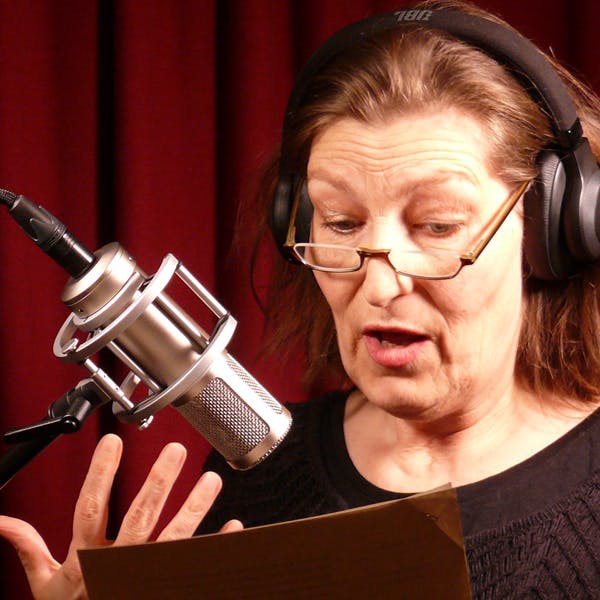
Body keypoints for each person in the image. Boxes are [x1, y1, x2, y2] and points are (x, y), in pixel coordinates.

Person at [3, 0, 600, 597]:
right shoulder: (254, 476)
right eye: (340, 223)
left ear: (552, 228)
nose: (379, 286)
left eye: (438, 226)